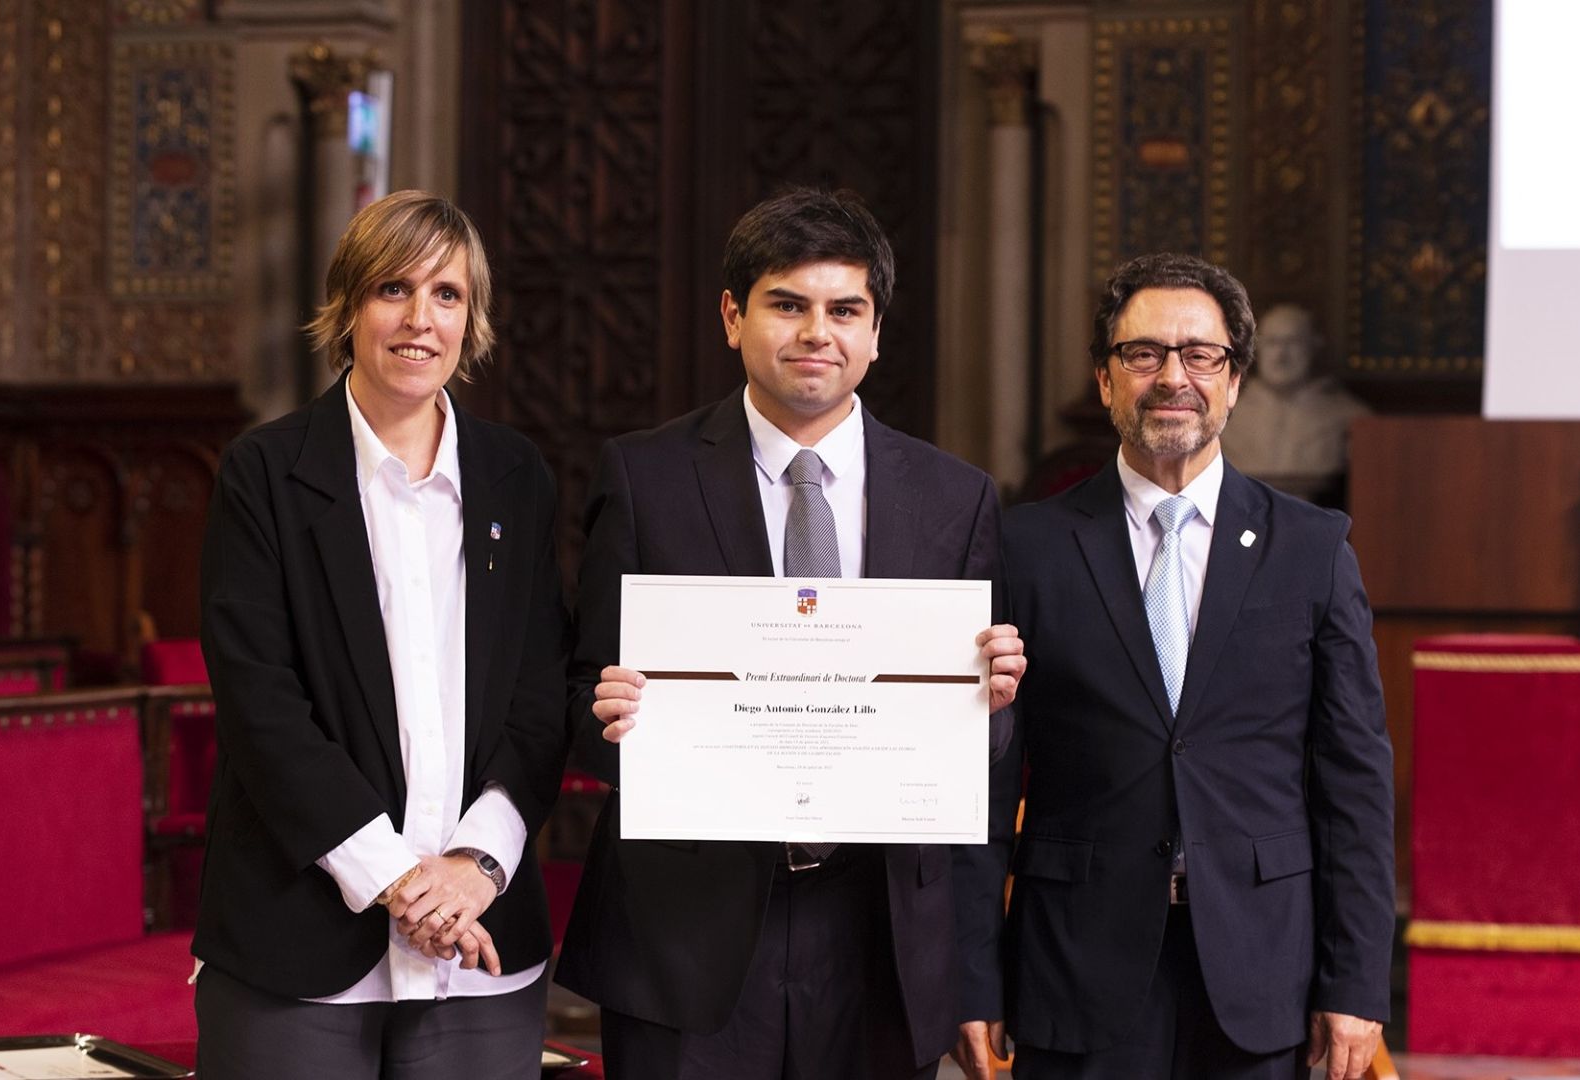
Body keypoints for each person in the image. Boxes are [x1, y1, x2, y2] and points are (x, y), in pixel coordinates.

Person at [555, 186, 1027, 1080]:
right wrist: (609, 717)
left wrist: (991, 704)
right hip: (684, 934)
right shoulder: (644, 477)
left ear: (876, 331)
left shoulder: (952, 497)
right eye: (787, 305)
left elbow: (983, 757)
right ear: (734, 316)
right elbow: (582, 698)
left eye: (844, 309)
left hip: (880, 935)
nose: (818, 332)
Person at [953, 254, 1393, 1080]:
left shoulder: (1312, 548)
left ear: (1234, 381)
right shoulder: (1027, 547)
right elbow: (985, 779)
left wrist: (1357, 979)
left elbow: (1354, 783)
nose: (1172, 378)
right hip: (1075, 961)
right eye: (1143, 354)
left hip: (1263, 967)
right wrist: (971, 975)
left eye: (1200, 355)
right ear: (1104, 379)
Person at [192, 190, 569, 1079]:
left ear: (470, 318)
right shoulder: (265, 472)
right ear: (348, 306)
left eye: (447, 294)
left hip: (482, 950)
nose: (419, 319)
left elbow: (541, 693)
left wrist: (478, 865)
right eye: (392, 289)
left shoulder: (517, 477)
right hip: (299, 946)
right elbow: (261, 706)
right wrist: (399, 881)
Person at [1217, 303, 1369, 504]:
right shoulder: (1223, 412)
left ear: (1314, 346)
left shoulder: (1348, 415)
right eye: (1272, 342)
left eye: (1293, 342)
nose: (1281, 355)